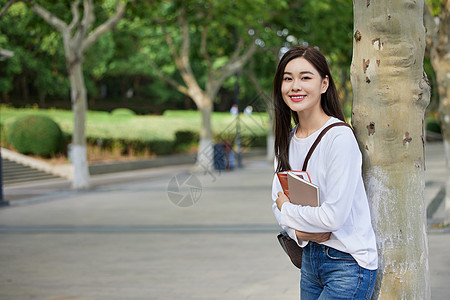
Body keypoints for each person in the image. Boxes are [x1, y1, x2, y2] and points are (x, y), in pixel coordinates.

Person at [271, 46, 378, 299]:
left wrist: (289, 212)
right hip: (309, 259)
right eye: (288, 78)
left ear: (324, 83)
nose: (295, 86)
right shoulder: (286, 140)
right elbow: (274, 204)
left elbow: (332, 219)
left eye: (305, 77)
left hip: (348, 264)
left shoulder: (339, 138)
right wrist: (301, 231)